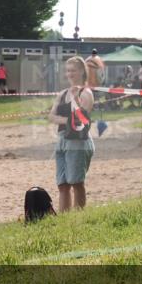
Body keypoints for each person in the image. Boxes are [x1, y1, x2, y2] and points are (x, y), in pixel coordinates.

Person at [48, 56, 95, 211]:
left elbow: (82, 119)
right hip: (62, 140)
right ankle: (64, 218)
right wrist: (68, 120)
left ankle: (78, 216)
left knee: (76, 182)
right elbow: (51, 116)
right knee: (62, 184)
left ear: (82, 71)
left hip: (78, 142)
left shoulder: (86, 92)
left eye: (73, 70)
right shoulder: (62, 93)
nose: (69, 74)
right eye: (67, 70)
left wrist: (74, 101)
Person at [85, 49, 108, 136]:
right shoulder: (99, 60)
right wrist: (102, 82)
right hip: (96, 85)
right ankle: (98, 118)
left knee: (88, 102)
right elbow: (101, 74)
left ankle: (88, 117)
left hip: (87, 85)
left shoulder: (87, 60)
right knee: (98, 101)